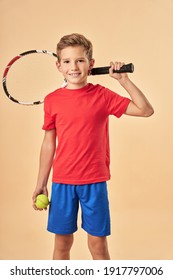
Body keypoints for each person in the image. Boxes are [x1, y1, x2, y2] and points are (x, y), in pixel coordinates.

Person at [32, 33, 154, 260]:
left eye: (80, 60)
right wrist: (41, 183)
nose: (74, 67)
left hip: (94, 182)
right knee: (62, 244)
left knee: (98, 245)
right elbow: (49, 144)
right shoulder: (52, 100)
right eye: (67, 61)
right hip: (62, 183)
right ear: (59, 66)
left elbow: (145, 110)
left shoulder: (102, 96)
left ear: (91, 64)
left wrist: (124, 80)